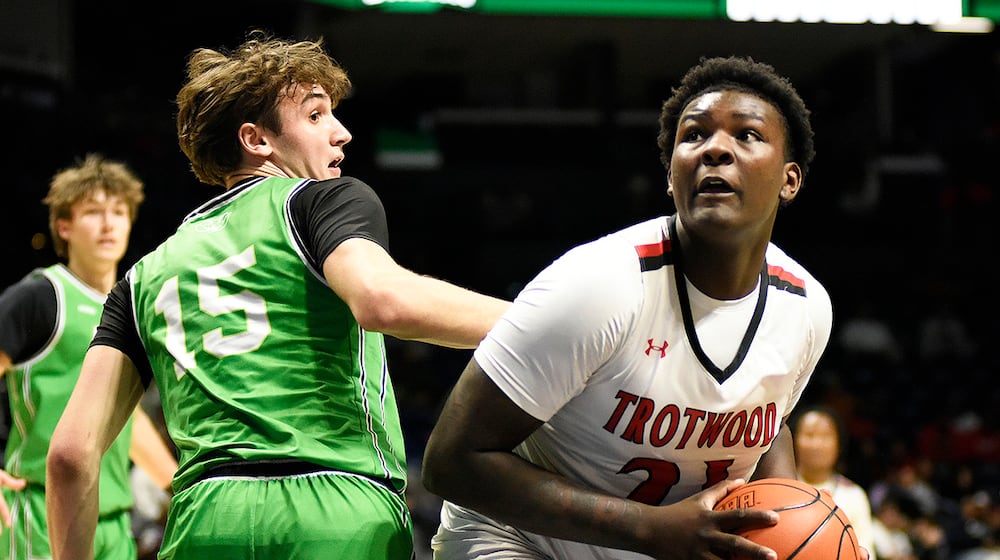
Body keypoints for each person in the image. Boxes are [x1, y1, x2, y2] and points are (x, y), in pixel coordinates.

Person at [44, 31, 509, 560]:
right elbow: (384, 301)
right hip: (335, 513)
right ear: (257, 140)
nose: (342, 133)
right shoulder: (318, 200)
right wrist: (545, 322)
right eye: (316, 116)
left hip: (203, 522)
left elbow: (70, 455)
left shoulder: (141, 276)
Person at [422, 55, 834, 560]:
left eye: (746, 135)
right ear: (670, 176)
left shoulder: (807, 309)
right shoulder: (599, 284)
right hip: (514, 539)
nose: (715, 149)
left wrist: (784, 523)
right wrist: (648, 529)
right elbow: (450, 459)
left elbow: (770, 431)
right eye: (695, 135)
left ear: (790, 180)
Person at [0, 154, 177, 560]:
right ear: (64, 226)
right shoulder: (41, 295)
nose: (108, 223)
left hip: (113, 517)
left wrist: (176, 484)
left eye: (118, 212)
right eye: (94, 212)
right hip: (38, 511)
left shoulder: (131, 308)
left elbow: (124, 416)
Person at [792, 405, 877, 558]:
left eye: (825, 436)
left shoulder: (854, 495)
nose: (817, 444)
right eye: (809, 435)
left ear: (839, 444)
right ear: (793, 441)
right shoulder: (780, 486)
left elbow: (866, 551)